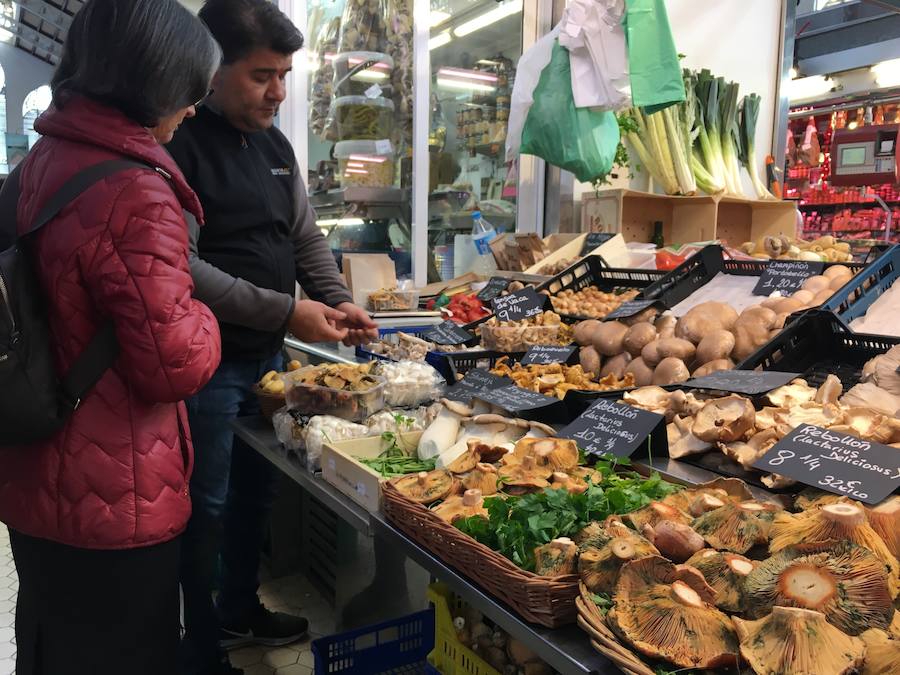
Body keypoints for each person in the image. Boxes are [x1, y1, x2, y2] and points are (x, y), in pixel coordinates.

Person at [0, 1, 223, 674]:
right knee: (125, 651)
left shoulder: (42, 161)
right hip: (116, 494)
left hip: (34, 463)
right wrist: (209, 317)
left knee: (49, 638)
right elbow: (172, 363)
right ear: (152, 84)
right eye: (189, 93)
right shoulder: (136, 190)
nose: (190, 112)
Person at [166, 1, 379, 673]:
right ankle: (200, 645)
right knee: (204, 506)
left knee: (258, 493)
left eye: (285, 74)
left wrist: (339, 302)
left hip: (268, 362)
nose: (278, 92)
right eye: (262, 75)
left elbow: (304, 238)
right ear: (213, 66)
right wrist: (287, 312)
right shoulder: (179, 144)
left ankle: (238, 609)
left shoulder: (277, 146)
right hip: (207, 364)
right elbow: (186, 269)